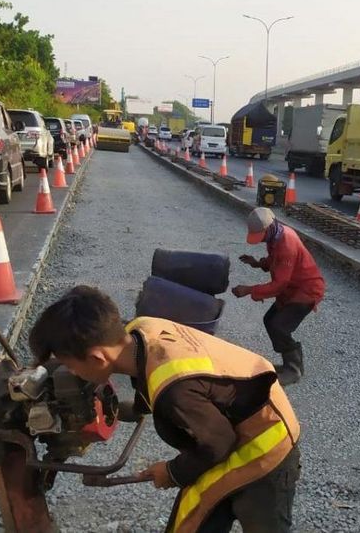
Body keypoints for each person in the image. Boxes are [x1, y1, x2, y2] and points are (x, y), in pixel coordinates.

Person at [28, 286, 302, 533]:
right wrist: (133, 409)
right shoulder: (142, 328)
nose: (72, 372)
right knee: (197, 515)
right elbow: (153, 376)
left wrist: (172, 472)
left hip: (266, 440)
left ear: (97, 358)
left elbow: (218, 443)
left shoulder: (175, 392)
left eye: (71, 365)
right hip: (248, 409)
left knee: (245, 519)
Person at [231, 207, 325, 386]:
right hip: (291, 288)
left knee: (279, 326)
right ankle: (288, 364)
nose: (260, 239)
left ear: (269, 227)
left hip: (306, 290)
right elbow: (276, 261)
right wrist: (258, 263)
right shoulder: (275, 236)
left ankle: (293, 369)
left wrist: (249, 290)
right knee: (270, 319)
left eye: (261, 235)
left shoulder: (286, 243)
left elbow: (279, 284)